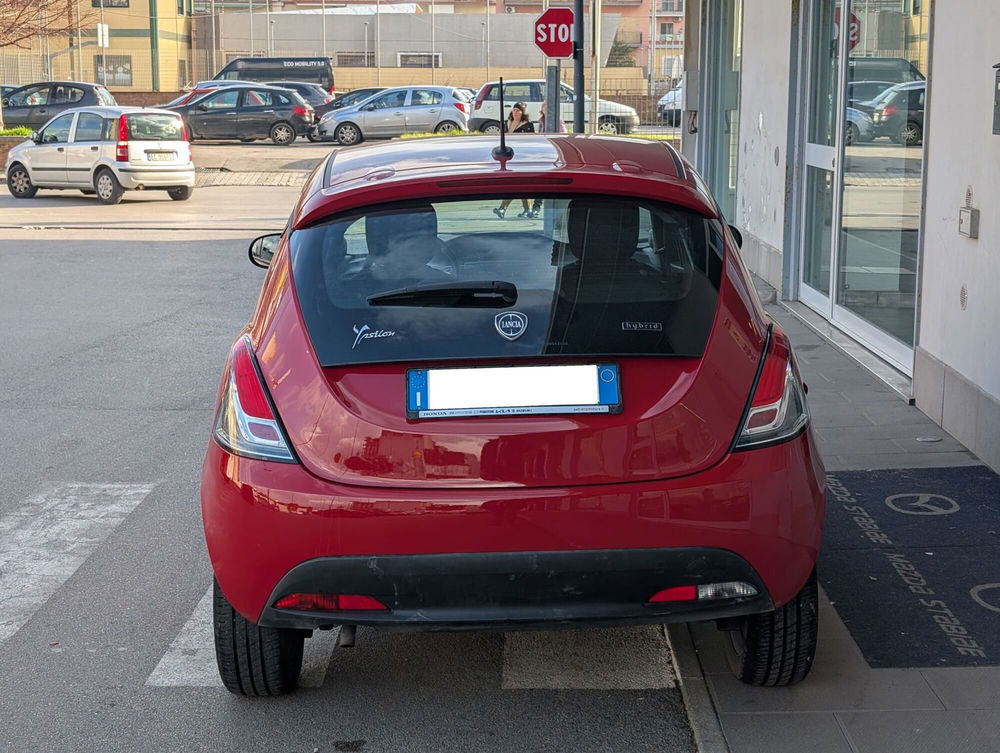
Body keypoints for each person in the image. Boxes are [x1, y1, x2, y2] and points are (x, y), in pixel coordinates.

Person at [493, 103, 537, 219]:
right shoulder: (506, 124)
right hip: (508, 158)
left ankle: (503, 208)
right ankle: (528, 210)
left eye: (518, 110)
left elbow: (531, 142)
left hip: (522, 158)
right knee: (520, 186)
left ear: (522, 112)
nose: (515, 112)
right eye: (514, 110)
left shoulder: (527, 126)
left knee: (517, 185)